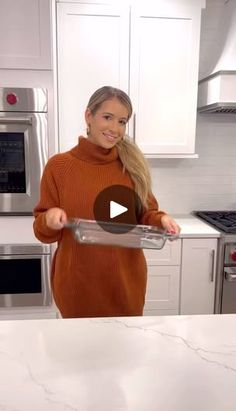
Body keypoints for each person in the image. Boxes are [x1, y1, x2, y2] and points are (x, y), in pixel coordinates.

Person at [33, 86, 180, 318]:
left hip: (125, 286)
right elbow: (42, 231)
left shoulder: (131, 166)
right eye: (107, 117)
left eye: (122, 121)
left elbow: (147, 214)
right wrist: (49, 219)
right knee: (80, 352)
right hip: (76, 287)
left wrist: (162, 219)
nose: (115, 128)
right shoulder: (59, 167)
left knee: (124, 351)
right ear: (89, 116)